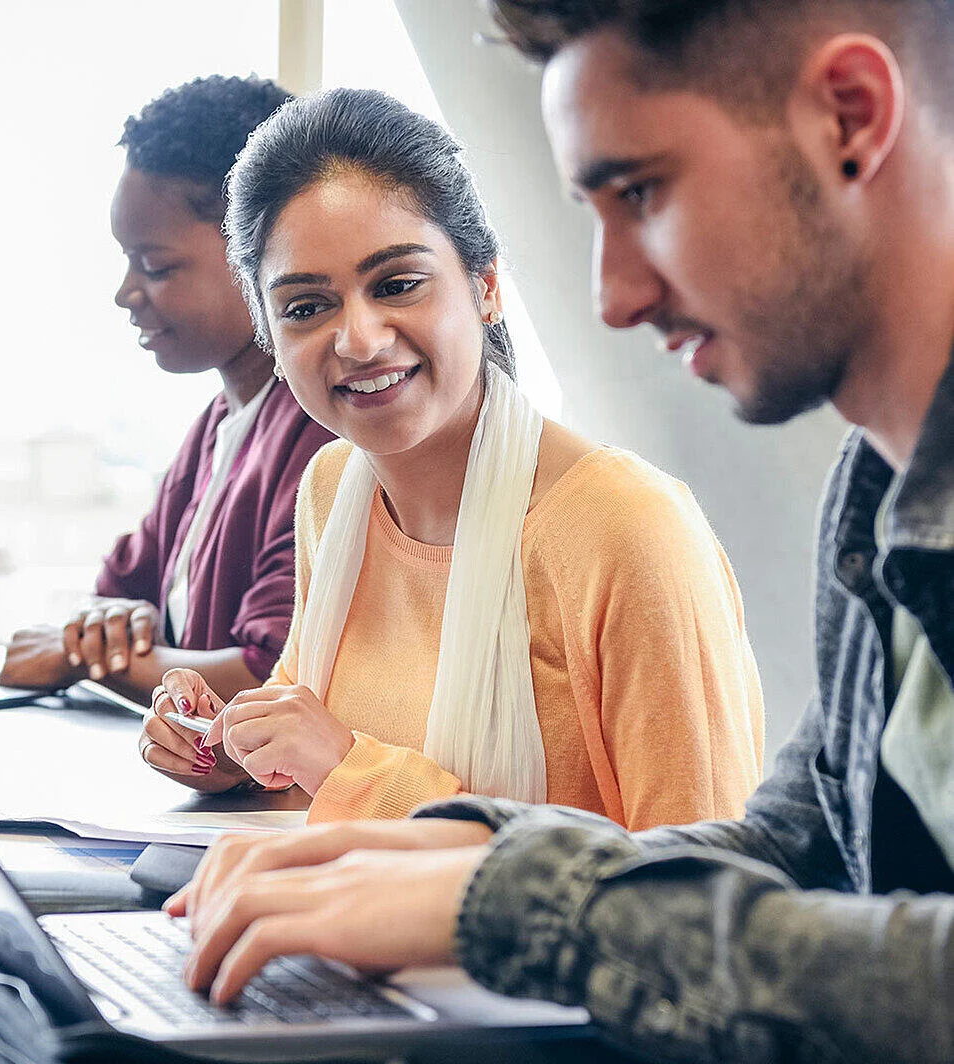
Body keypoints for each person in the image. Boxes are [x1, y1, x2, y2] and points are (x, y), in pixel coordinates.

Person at [160, 3, 954, 1060]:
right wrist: (424, 863)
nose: (612, 296)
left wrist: (515, 903)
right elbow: (790, 849)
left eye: (644, 193)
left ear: (852, 118)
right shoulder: (873, 487)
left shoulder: (629, 521)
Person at [143, 88, 766, 820]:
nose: (361, 340)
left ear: (488, 287)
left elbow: (697, 893)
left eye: (398, 284)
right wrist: (227, 748)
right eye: (306, 307)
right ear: (271, 340)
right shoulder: (333, 489)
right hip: (337, 925)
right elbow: (309, 751)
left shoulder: (627, 531)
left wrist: (352, 769)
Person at [0, 76, 335, 706]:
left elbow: (270, 676)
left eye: (154, 265)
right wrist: (101, 637)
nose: (126, 291)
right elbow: (117, 596)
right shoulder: (217, 424)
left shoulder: (322, 432)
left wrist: (79, 657)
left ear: (257, 249)